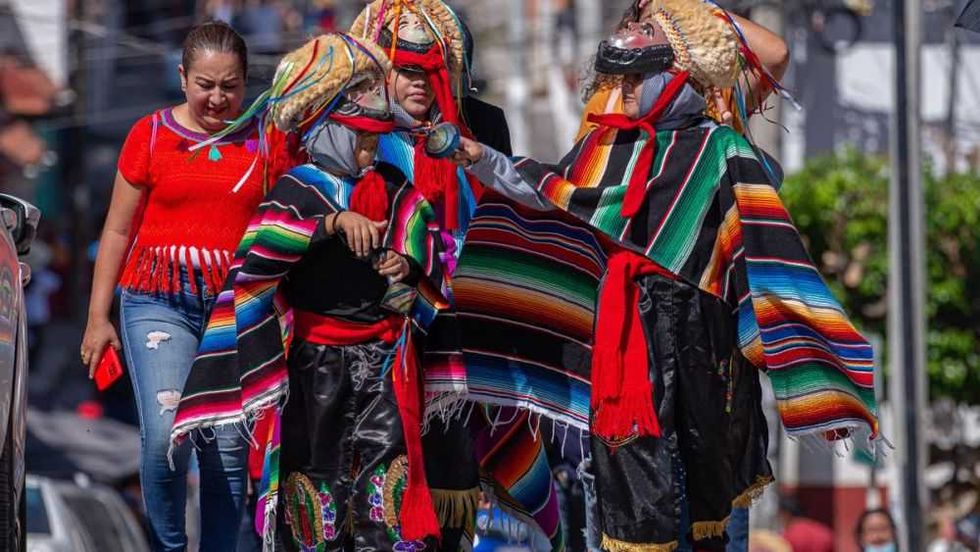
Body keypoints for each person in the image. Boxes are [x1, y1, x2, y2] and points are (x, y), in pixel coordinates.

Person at [444, 0, 880, 548]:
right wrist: (480, 156)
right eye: (620, 77)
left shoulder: (725, 147)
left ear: (677, 75)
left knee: (711, 508)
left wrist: (683, 9)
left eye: (637, 77)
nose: (624, 89)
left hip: (707, 352)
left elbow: (769, 254)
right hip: (622, 350)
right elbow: (545, 189)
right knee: (629, 496)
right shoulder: (603, 144)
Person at [170, 32, 452, 551]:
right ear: (327, 131)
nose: (370, 149)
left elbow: (431, 249)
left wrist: (406, 267)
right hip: (314, 368)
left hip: (386, 365)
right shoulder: (296, 190)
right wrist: (330, 224)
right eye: (360, 137)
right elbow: (257, 268)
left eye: (373, 138)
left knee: (383, 491)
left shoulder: (392, 186)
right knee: (314, 496)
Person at [79, 20, 300, 552]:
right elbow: (115, 229)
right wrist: (96, 318)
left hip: (234, 316)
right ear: (182, 78)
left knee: (225, 455)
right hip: (156, 301)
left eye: (230, 85)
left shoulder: (268, 143)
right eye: (205, 84)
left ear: (246, 83)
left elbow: (292, 222)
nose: (217, 98)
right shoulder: (150, 135)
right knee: (164, 440)